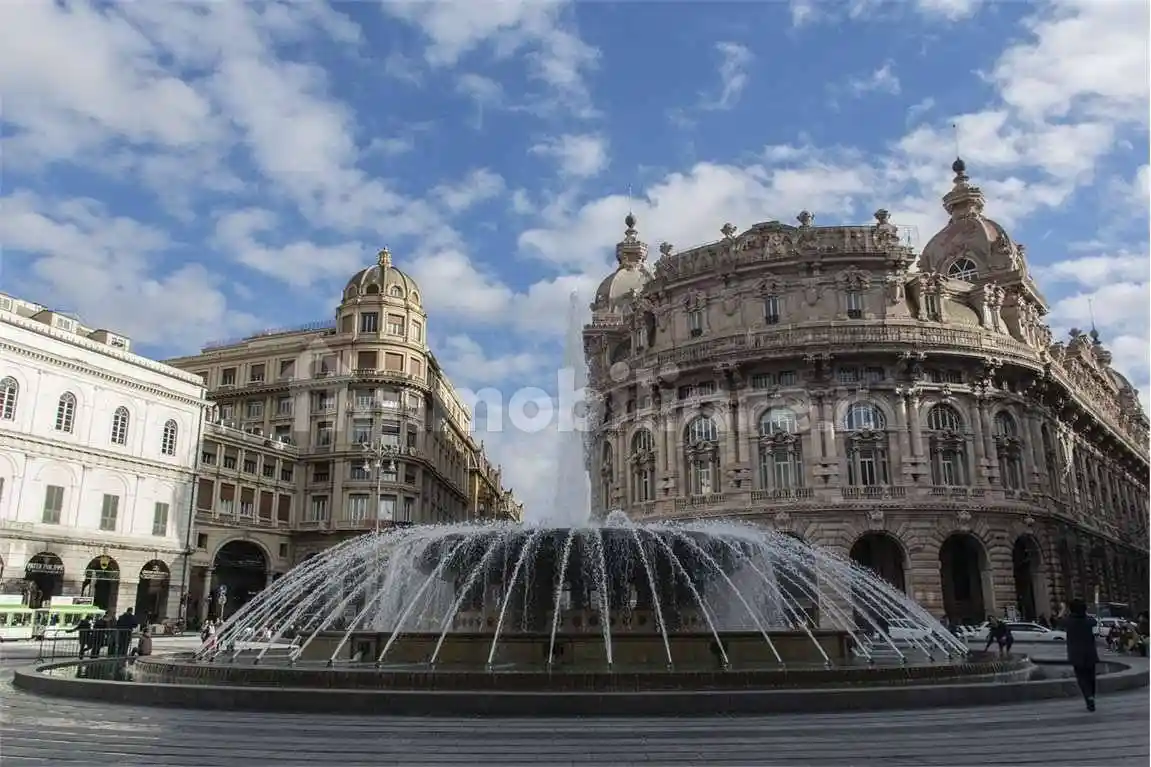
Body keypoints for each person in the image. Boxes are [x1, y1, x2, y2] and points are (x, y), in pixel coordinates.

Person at [1064, 599, 1099, 711]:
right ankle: (1091, 696)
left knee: (1082, 678)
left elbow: (1057, 621)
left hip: (1076, 655)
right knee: (1091, 678)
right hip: (1090, 653)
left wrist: (1063, 610)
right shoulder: (1089, 620)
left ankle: (1088, 697)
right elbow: (1095, 622)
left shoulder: (1068, 621)